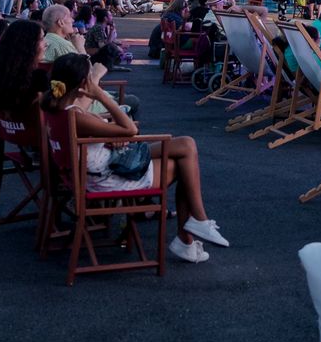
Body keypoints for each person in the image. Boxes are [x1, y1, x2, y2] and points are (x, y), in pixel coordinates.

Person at [42, 53, 226, 263]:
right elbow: (130, 130)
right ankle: (191, 232)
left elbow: (94, 128)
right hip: (107, 178)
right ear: (85, 83)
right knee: (184, 161)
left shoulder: (55, 109)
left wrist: (108, 136)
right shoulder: (76, 117)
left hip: (97, 169)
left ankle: (191, 234)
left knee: (185, 147)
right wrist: (101, 96)